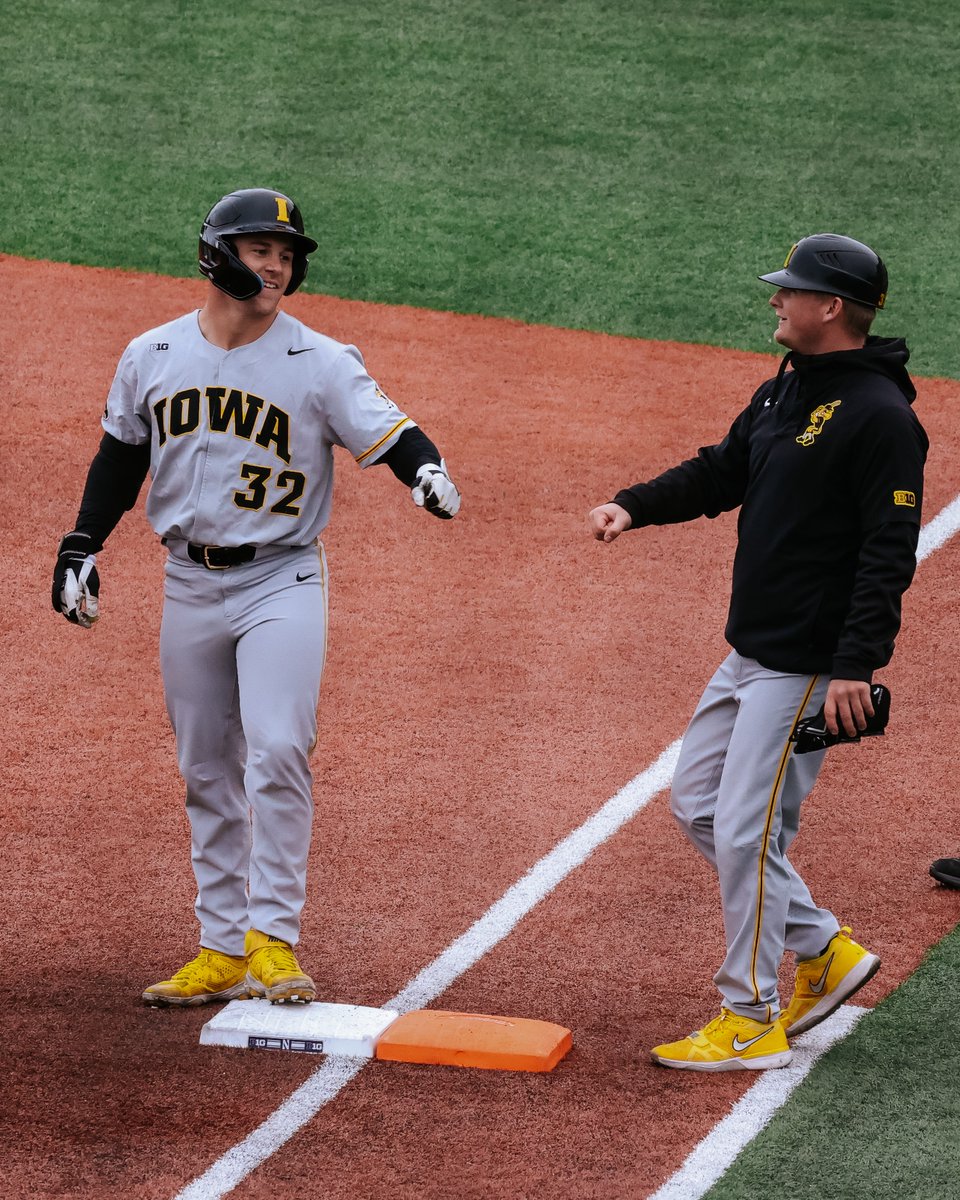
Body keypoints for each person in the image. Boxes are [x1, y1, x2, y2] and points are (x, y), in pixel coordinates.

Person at [52, 187, 461, 1007]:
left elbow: (393, 431)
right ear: (216, 255)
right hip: (188, 582)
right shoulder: (153, 354)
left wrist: (424, 469)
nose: (276, 264)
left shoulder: (320, 359)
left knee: (276, 749)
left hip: (282, 577)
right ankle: (221, 946)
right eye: (259, 249)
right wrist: (80, 545)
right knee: (205, 766)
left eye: (287, 254)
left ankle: (273, 939)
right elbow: (120, 458)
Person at [589, 234, 927, 1071]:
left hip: (806, 664)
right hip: (748, 654)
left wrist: (856, 665)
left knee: (744, 831)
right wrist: (633, 506)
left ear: (832, 307)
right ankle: (825, 949)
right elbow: (719, 473)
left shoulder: (883, 420)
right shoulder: (783, 393)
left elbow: (888, 552)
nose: (775, 301)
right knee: (698, 806)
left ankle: (750, 1016)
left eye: (790, 291)